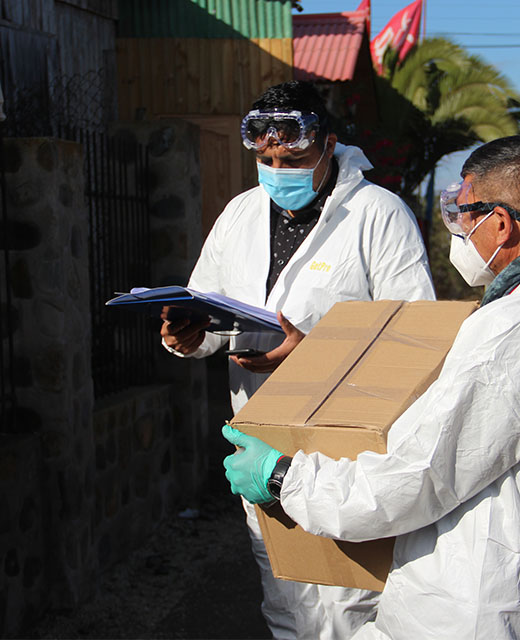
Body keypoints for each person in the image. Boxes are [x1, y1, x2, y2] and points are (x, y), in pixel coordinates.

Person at [222, 136, 520, 639]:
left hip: (474, 602)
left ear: (500, 224)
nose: (457, 231)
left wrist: (285, 477)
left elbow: (419, 475)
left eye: (462, 216)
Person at [160, 81, 435, 639]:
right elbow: (212, 307)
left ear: (329, 145)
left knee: (345, 606)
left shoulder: (378, 215)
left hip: (342, 449)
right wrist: (193, 337)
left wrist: (311, 356)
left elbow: (415, 340)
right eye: (265, 158)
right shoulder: (240, 214)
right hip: (258, 442)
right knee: (283, 597)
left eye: (294, 158)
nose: (277, 169)